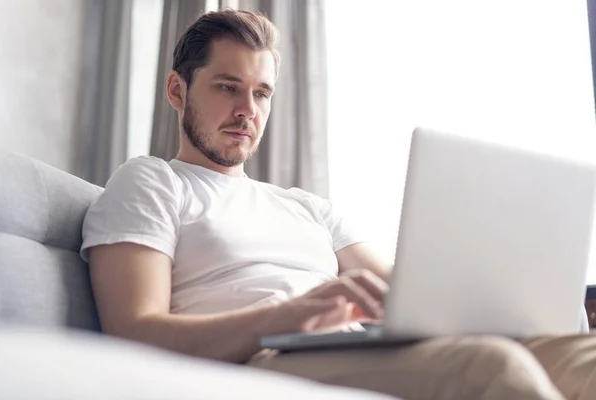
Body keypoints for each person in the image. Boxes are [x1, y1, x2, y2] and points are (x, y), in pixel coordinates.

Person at [81, 9, 596, 400]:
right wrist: (284, 317)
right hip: (261, 360)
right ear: (177, 89)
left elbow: (405, 291)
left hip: (351, 348)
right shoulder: (152, 181)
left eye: (262, 94)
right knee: (491, 367)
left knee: (585, 356)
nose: (247, 111)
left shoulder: (308, 207)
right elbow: (134, 329)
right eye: (227, 87)